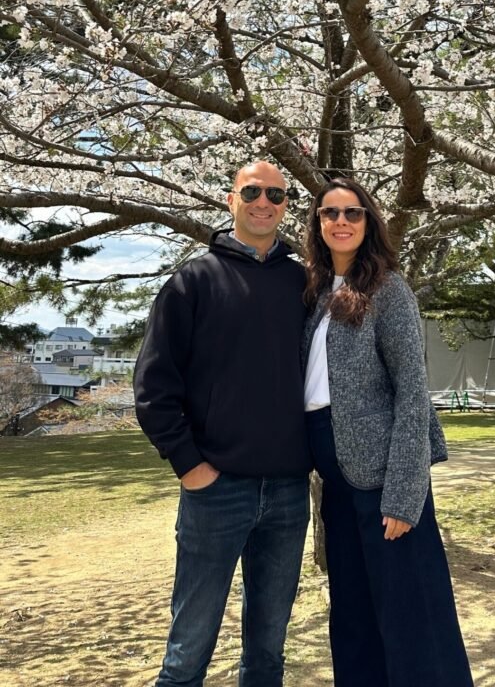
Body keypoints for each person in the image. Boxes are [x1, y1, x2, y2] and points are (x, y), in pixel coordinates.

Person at [134, 161, 311, 687]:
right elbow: (154, 385)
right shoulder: (193, 281)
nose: (264, 202)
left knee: (268, 647)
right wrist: (190, 466)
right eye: (252, 191)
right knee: (189, 647)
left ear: (285, 206)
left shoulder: (304, 283)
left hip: (287, 491)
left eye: (276, 194)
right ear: (231, 200)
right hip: (216, 490)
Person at [302, 177, 474, 687]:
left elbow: (413, 392)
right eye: (329, 212)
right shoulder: (314, 293)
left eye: (352, 213)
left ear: (368, 222)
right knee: (353, 615)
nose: (340, 221)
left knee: (411, 614)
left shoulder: (388, 289)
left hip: (384, 479)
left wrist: (404, 495)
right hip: (334, 478)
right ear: (317, 223)